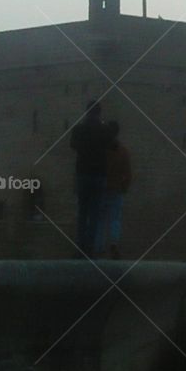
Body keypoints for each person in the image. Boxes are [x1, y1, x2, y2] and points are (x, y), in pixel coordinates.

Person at [70, 101, 108, 256]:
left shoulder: (79, 128)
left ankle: (80, 247)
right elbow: (111, 145)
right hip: (99, 174)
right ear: (99, 113)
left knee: (82, 212)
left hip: (83, 173)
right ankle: (90, 249)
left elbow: (73, 145)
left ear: (87, 112)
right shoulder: (104, 130)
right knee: (94, 214)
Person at [99, 121, 132, 259]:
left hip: (101, 189)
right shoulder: (123, 151)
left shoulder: (101, 150)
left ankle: (98, 248)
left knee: (99, 220)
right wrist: (123, 188)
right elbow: (128, 174)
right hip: (116, 190)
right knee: (115, 220)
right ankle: (113, 245)